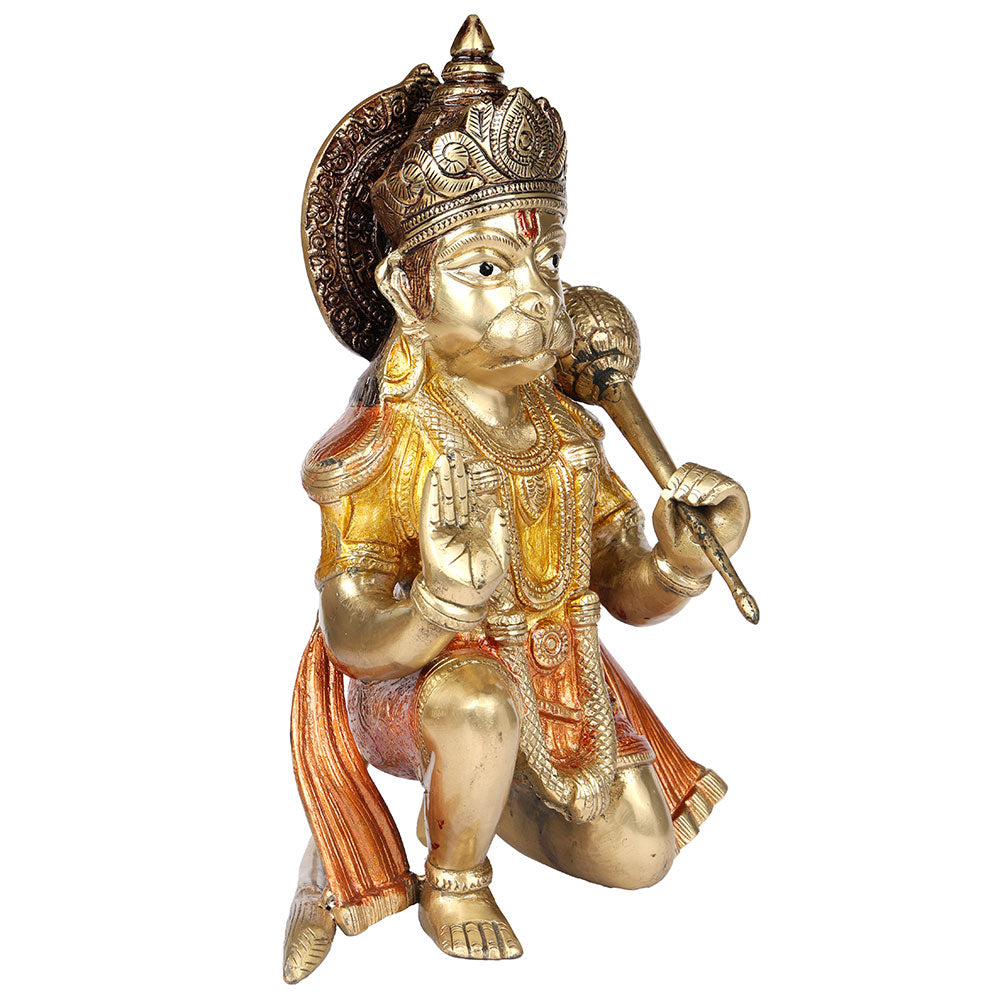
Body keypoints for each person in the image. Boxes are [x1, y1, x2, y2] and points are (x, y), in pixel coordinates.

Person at [283, 16, 750, 975]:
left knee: (641, 856)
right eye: (488, 268)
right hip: (415, 687)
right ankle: (452, 875)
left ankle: (468, 796)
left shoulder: (566, 432)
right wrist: (437, 603)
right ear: (406, 289)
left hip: (558, 680)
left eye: (547, 261)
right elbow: (349, 631)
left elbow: (622, 589)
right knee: (474, 703)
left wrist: (680, 557)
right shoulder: (389, 439)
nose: (535, 294)